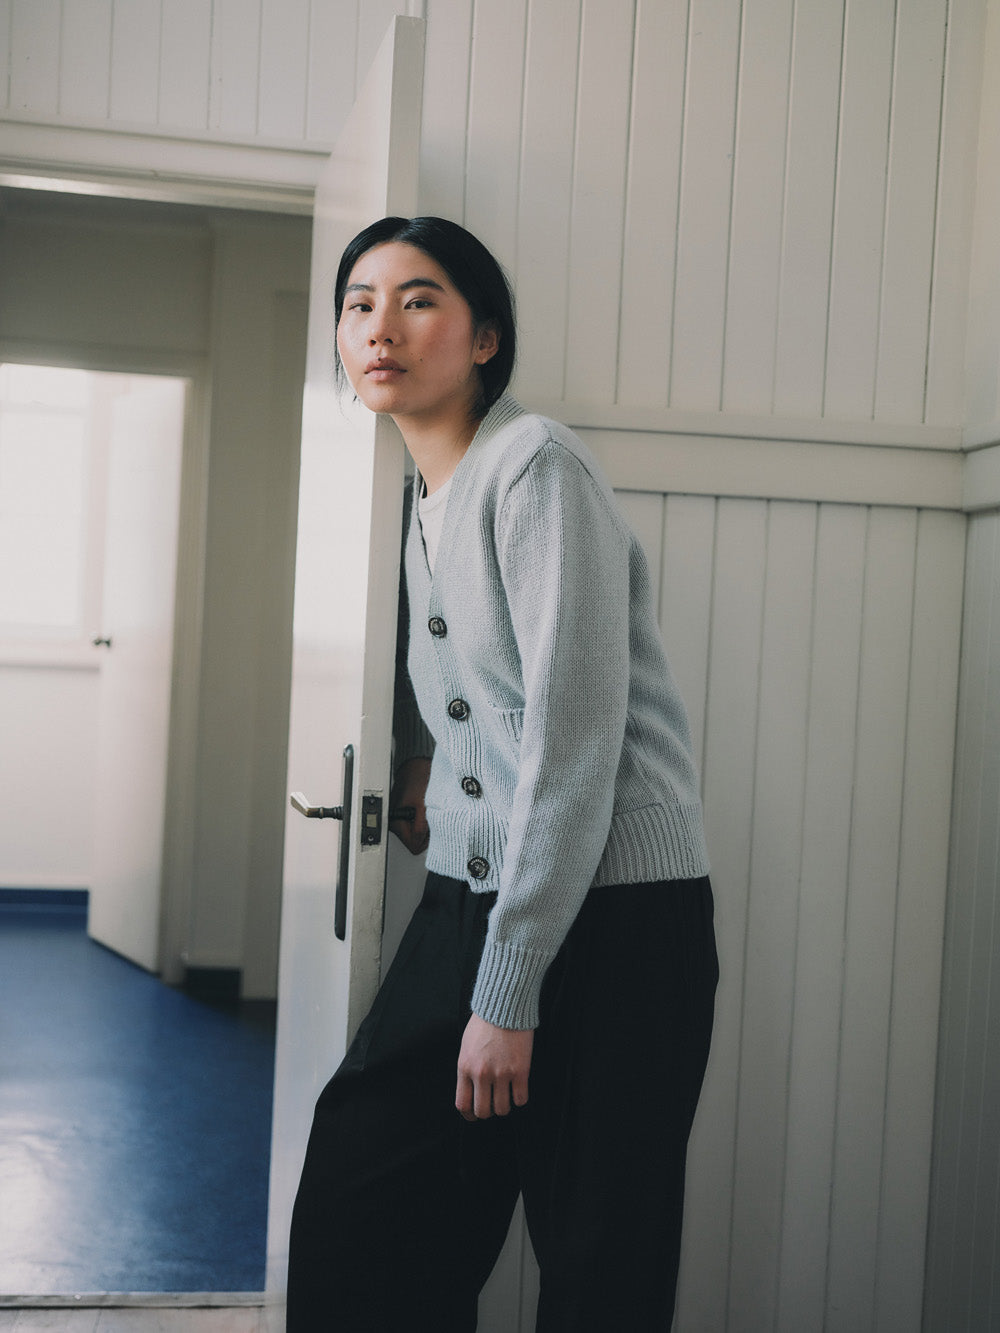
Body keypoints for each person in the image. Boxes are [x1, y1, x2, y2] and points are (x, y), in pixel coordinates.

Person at [286, 216, 718, 1332]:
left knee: (598, 1260)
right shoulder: (417, 502)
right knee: (362, 1206)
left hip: (618, 919)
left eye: (418, 299)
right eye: (358, 302)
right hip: (476, 896)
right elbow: (470, 673)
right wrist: (426, 755)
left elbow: (570, 742)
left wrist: (509, 985)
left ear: (484, 337)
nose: (380, 327)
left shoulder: (536, 468)